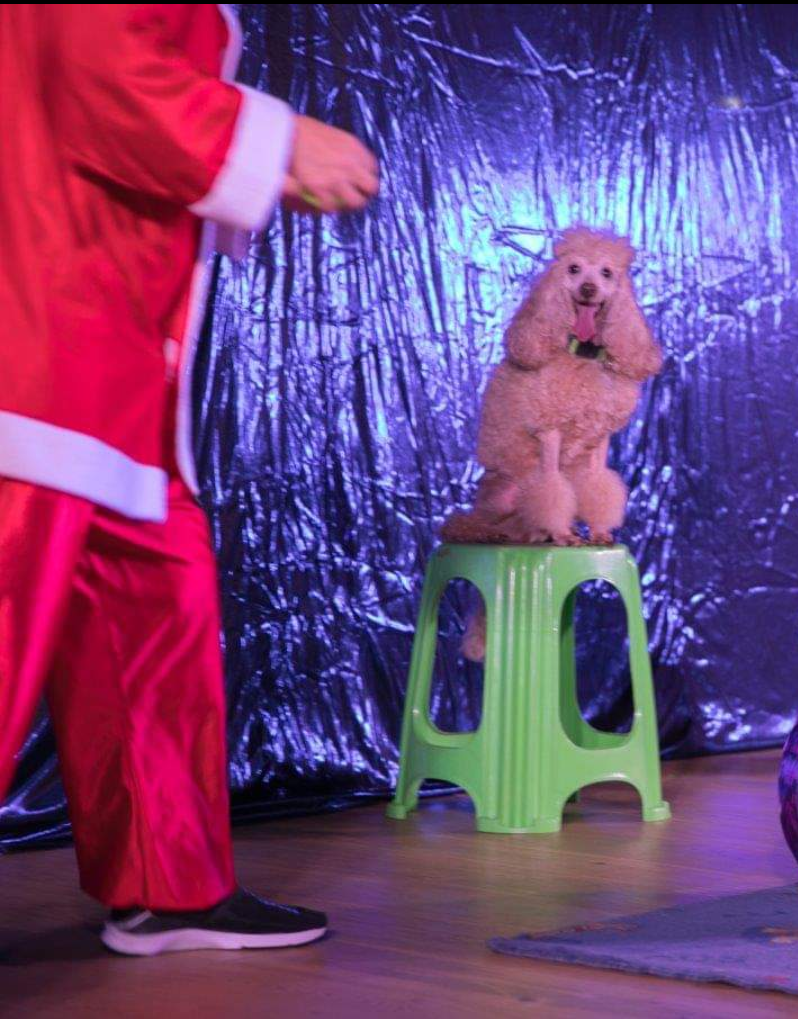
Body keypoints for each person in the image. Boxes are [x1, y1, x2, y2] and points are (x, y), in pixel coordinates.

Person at [0, 4, 378, 955]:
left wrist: (259, 159)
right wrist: (275, 139)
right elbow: (98, 67)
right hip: (37, 320)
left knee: (154, 596)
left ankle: (167, 884)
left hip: (107, 330)